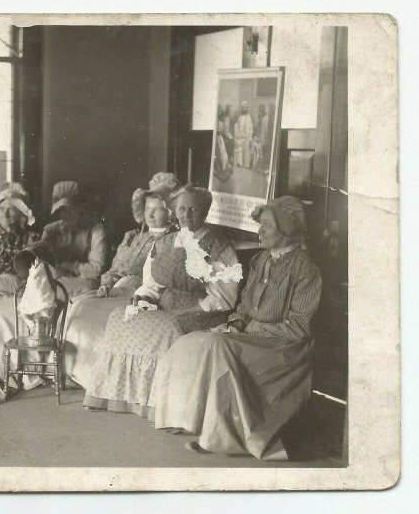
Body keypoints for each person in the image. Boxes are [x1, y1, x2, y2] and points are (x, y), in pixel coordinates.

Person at [153, 196, 321, 461]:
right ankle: (191, 422)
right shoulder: (260, 260)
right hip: (250, 336)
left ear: (287, 231)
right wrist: (232, 326)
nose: (259, 231)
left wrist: (250, 332)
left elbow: (299, 327)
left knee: (219, 347)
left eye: (267, 226)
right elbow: (243, 307)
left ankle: (223, 438)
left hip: (285, 347)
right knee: (193, 341)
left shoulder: (305, 269)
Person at [81, 184, 240, 418]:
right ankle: (121, 396)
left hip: (202, 311)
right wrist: (144, 298)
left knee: (165, 328)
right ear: (175, 210)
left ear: (205, 211)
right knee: (121, 318)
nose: (186, 215)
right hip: (163, 305)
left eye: (194, 209)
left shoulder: (218, 246)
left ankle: (162, 405)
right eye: (182, 209)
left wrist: (192, 311)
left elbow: (224, 296)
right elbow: (152, 282)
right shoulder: (166, 242)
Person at [62, 173, 180, 386]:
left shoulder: (174, 240)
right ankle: (76, 373)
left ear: (169, 211)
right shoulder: (132, 236)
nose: (150, 215)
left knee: (99, 316)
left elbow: (165, 279)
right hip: (116, 289)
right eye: (147, 209)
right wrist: (107, 284)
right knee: (79, 305)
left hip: (145, 294)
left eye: (157, 209)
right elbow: (115, 268)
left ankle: (101, 379)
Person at [0, 182, 43, 386]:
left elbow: (37, 270)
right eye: (2, 209)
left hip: (22, 287)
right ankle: (5, 372)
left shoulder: (30, 238)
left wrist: (29, 289)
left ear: (21, 214)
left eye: (12, 210)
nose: (6, 214)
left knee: (29, 315)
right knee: (3, 314)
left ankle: (26, 372)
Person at [41, 181, 109, 298]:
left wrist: (67, 266)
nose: (65, 214)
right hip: (57, 279)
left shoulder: (96, 230)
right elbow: (43, 264)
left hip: (84, 282)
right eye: (61, 210)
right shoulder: (50, 230)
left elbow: (96, 270)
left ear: (81, 209)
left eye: (70, 209)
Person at [233, 100, 254, 168]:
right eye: (243, 108)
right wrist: (237, 133)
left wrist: (250, 137)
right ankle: (240, 163)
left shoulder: (249, 117)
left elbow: (250, 128)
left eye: (245, 108)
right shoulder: (239, 117)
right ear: (241, 109)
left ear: (247, 108)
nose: (244, 109)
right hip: (240, 136)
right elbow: (236, 126)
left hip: (247, 137)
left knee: (246, 150)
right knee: (240, 148)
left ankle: (246, 164)